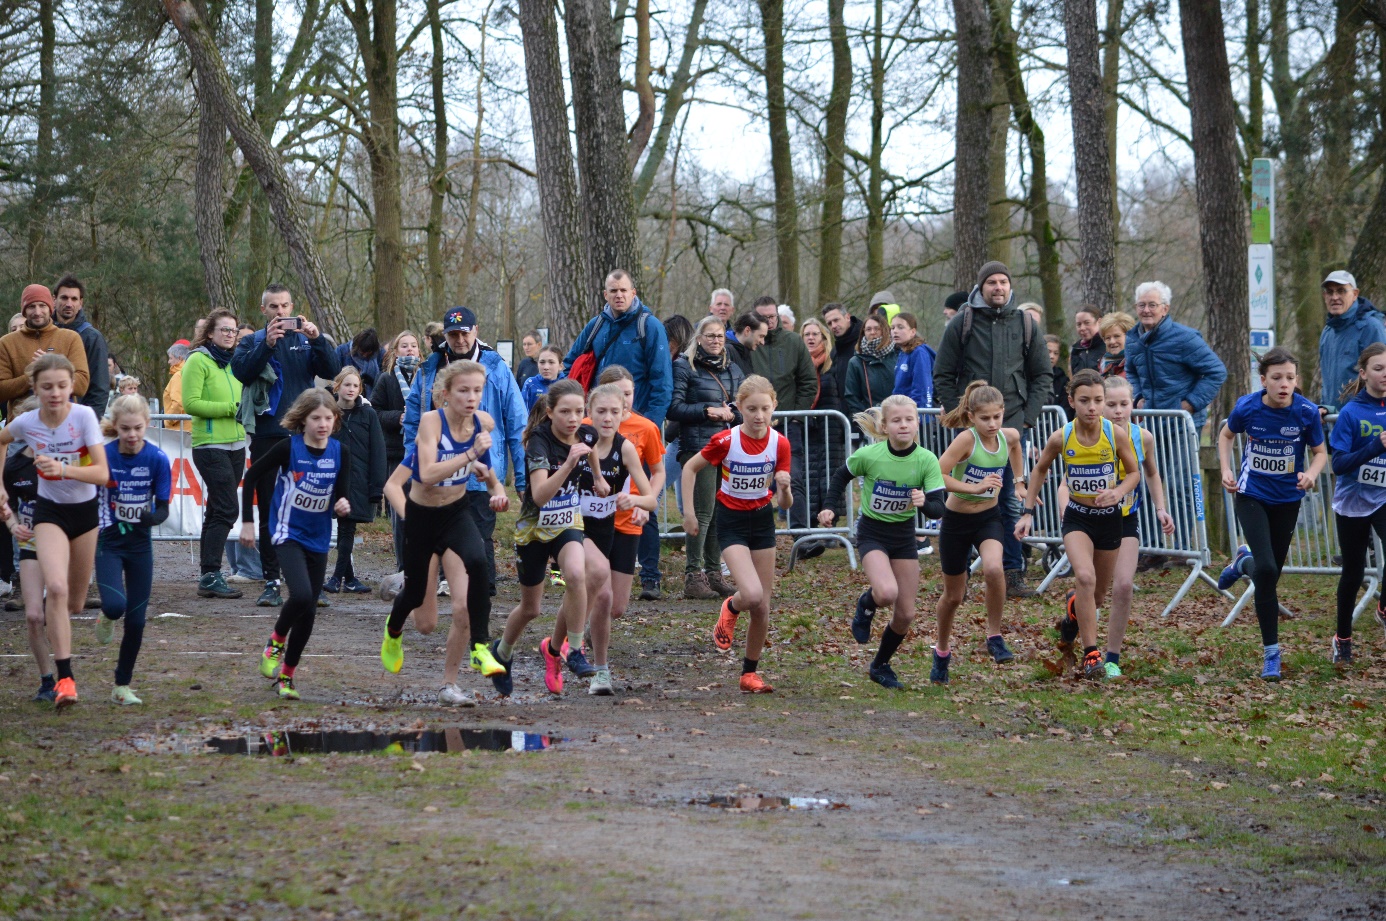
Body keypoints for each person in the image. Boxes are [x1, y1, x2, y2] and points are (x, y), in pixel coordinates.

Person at [379, 361, 511, 704]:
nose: (472, 398)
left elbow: (485, 469)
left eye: (478, 391)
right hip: (422, 518)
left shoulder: (483, 423)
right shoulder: (429, 424)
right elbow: (426, 474)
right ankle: (393, 630)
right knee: (418, 604)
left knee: (477, 564)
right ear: (445, 395)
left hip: (456, 512)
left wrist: (497, 488)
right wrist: (469, 454)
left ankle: (477, 650)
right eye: (463, 391)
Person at [933, 261, 1052, 599]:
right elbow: (942, 372)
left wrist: (1027, 417)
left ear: (1010, 287)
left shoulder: (1025, 323)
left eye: (1004, 282)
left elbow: (1042, 373)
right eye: (992, 283)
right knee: (965, 492)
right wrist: (961, 414)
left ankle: (1012, 573)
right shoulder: (963, 322)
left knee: (1007, 500)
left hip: (1011, 421)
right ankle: (960, 574)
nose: (998, 288)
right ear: (981, 287)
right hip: (972, 428)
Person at [0, 354, 109, 708]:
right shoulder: (26, 422)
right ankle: (64, 679)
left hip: (84, 513)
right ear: (35, 388)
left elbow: (102, 474)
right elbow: (1, 440)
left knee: (74, 602)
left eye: (62, 386)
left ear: (71, 388)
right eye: (47, 387)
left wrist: (63, 471)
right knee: (56, 588)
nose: (55, 393)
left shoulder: (84, 417)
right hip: (49, 514)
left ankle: (58, 623)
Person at [403, 307, 527, 617]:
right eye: (452, 334)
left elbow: (517, 423)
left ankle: (482, 587)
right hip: (438, 471)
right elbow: (413, 422)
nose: (459, 339)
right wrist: (412, 466)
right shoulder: (429, 369)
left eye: (464, 333)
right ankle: (445, 582)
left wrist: (523, 477)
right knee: (440, 530)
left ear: (475, 331)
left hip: (482, 470)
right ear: (444, 335)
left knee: (479, 530)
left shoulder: (497, 369)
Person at [1018, 369, 1140, 681]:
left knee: (1097, 597)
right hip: (1078, 518)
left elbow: (1134, 473)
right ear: (1071, 401)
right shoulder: (1062, 437)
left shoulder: (1116, 434)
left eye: (1098, 400)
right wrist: (1027, 511)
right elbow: (1040, 470)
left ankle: (1074, 608)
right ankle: (1091, 654)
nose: (1092, 407)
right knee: (1084, 577)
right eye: (1084, 400)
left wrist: (1118, 492)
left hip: (1110, 520)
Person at [819, 396, 946, 689]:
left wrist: (925, 502)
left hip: (903, 536)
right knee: (886, 592)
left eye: (909, 420)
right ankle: (866, 603)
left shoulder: (926, 460)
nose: (904, 425)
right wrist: (829, 507)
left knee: (906, 614)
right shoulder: (871, 455)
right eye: (897, 420)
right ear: (885, 426)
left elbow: (939, 508)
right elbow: (841, 476)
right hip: (872, 532)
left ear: (917, 423)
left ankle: (880, 665)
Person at [1216, 347, 1326, 681]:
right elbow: (1225, 435)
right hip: (1251, 495)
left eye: (1290, 378)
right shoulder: (1248, 407)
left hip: (1287, 500)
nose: (1283, 384)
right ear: (1263, 380)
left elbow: (1320, 452)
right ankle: (1271, 656)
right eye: (1276, 378)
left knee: (1269, 574)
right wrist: (1226, 468)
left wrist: (1312, 473)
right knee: (1266, 568)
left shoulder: (1306, 412)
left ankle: (1241, 563)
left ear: (1296, 380)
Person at [231, 283, 341, 607]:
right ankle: (271, 581)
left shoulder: (305, 339)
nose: (280, 313)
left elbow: (332, 370)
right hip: (267, 436)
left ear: (292, 306)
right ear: (263, 310)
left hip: (303, 439)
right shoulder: (251, 341)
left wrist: (317, 339)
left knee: (308, 509)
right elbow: (243, 372)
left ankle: (310, 583)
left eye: (284, 306)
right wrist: (266, 344)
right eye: (273, 307)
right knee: (269, 509)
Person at [682, 375, 791, 693]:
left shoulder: (779, 443)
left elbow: (785, 503)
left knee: (762, 606)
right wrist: (690, 513)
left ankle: (749, 674)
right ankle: (730, 607)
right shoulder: (726, 441)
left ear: (774, 408)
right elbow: (690, 468)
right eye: (752, 409)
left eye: (765, 409)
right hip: (730, 522)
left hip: (763, 521)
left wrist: (783, 488)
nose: (759, 416)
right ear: (740, 407)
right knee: (752, 595)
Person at [241, 390, 352, 700]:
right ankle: (276, 639)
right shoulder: (287, 448)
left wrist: (343, 505)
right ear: (303, 420)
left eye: (328, 418)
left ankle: (287, 676)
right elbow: (250, 478)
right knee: (301, 594)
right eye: (316, 418)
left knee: (309, 610)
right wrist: (248, 522)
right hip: (287, 532)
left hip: (318, 537)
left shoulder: (340, 452)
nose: (322, 424)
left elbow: (341, 496)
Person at [490, 379, 593, 697]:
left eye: (579, 411)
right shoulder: (538, 441)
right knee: (531, 608)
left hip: (568, 523)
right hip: (535, 529)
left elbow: (594, 452)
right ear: (550, 412)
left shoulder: (586, 434)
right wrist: (570, 463)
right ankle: (502, 653)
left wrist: (599, 479)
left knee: (577, 574)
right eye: (565, 412)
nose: (573, 419)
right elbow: (541, 494)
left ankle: (574, 650)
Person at [929, 382, 1027, 684]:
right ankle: (942, 650)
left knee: (995, 568)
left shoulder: (1007, 435)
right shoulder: (965, 441)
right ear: (971, 417)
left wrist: (1021, 482)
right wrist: (974, 486)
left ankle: (994, 636)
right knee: (954, 596)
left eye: (998, 417)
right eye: (986, 418)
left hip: (989, 517)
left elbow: (1014, 447)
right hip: (956, 521)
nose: (993, 424)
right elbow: (938, 475)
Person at [1124, 281, 1228, 543]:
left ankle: (1182, 547)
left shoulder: (1184, 338)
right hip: (1151, 424)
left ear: (1165, 308)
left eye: (1152, 305)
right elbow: (1132, 372)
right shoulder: (1132, 339)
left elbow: (1216, 372)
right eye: (1142, 305)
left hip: (1183, 423)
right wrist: (1137, 396)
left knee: (1179, 484)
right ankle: (1151, 546)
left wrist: (1190, 403)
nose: (1146, 310)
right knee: (1146, 483)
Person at [578, 383, 657, 695]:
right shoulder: (577, 441)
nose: (607, 418)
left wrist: (634, 502)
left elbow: (650, 498)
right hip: (576, 528)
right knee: (603, 596)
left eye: (614, 412)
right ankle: (600, 670)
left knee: (614, 604)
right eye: (601, 411)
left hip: (607, 528)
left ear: (624, 413)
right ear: (589, 413)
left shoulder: (625, 448)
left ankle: (571, 640)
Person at [93, 395, 171, 705]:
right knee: (114, 606)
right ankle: (106, 617)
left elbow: (164, 507)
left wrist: (152, 518)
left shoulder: (157, 458)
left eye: (138, 428)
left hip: (140, 546)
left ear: (147, 425)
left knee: (137, 621)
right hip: (108, 542)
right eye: (125, 428)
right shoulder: (103, 455)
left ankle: (121, 686)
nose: (132, 435)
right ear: (115, 427)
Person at [1096, 376, 1176, 677]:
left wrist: (1160, 508)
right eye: (1111, 404)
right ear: (1100, 405)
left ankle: (1112, 657)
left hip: (1126, 517)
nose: (1118, 411)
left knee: (1125, 586)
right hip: (1092, 519)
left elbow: (1152, 474)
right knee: (1096, 592)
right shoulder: (1089, 435)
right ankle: (1074, 617)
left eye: (1124, 404)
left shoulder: (1142, 436)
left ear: (1133, 405)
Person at [670, 316, 744, 599]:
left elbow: (741, 410)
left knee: (718, 513)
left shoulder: (733, 369)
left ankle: (714, 573)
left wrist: (732, 413)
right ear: (699, 338)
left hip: (726, 448)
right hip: (697, 447)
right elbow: (674, 408)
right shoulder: (683, 367)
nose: (715, 340)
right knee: (701, 511)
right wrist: (707, 411)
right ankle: (693, 575)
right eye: (710, 335)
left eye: (720, 336)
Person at [1324, 343, 1386, 668]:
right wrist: (1377, 445)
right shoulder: (1351, 413)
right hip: (1352, 500)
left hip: (1384, 497)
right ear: (1363, 373)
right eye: (1378, 368)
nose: (1385, 374)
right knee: (1353, 571)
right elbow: (1340, 464)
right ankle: (1342, 638)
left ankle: (1383, 608)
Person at [183, 309, 248, 600]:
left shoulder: (236, 362)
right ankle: (210, 574)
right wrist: (230, 409)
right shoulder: (197, 360)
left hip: (236, 444)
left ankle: (208, 575)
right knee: (227, 509)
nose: (229, 335)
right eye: (223, 330)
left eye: (233, 330)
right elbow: (191, 403)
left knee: (216, 510)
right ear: (210, 333)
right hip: (209, 446)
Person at [563, 269, 672, 429]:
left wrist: (650, 425)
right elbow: (570, 366)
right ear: (605, 294)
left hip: (636, 420)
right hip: (598, 422)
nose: (619, 295)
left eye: (623, 290)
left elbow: (662, 382)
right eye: (613, 291)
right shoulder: (596, 325)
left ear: (633, 293)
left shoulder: (649, 327)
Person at [597, 366, 667, 606]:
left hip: (629, 517)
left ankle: (586, 635)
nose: (624, 400)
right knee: (598, 591)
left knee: (617, 606)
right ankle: (573, 639)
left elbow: (658, 473)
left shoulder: (646, 428)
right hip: (593, 519)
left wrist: (646, 504)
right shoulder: (588, 426)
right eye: (618, 393)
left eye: (628, 393)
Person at [324, 366, 385, 594]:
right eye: (347, 385)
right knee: (342, 529)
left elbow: (378, 452)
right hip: (332, 480)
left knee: (347, 528)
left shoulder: (368, 414)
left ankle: (336, 578)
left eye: (356, 385)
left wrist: (376, 488)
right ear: (337, 386)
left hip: (358, 481)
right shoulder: (328, 413)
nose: (351, 389)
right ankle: (350, 579)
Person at [6, 403, 49, 700]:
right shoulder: (15, 465)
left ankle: (66, 673)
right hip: (31, 545)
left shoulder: (69, 458)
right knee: (34, 616)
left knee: (64, 607)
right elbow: (5, 504)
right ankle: (48, 681)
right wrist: (12, 525)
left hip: (65, 544)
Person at [370, 330, 422, 570]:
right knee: (400, 514)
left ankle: (425, 564)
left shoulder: (427, 376)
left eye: (413, 345)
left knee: (423, 510)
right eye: (404, 346)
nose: (409, 349)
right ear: (395, 351)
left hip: (425, 453)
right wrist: (398, 417)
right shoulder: (387, 379)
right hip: (396, 453)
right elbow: (376, 412)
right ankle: (404, 567)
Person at [0, 285, 89, 420]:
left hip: (63, 426)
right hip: (20, 429)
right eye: (31, 307)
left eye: (42, 306)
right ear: (23, 311)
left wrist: (52, 369)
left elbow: (82, 384)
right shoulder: (6, 343)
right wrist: (30, 376)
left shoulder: (71, 338)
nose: (37, 312)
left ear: (50, 307)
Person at [794, 317, 845, 538]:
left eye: (816, 334)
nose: (811, 338)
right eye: (807, 334)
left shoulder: (832, 363)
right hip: (808, 430)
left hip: (831, 429)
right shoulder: (798, 366)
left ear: (824, 338)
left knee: (829, 477)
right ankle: (812, 525)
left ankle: (831, 523)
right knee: (809, 477)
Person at [1318, 270, 1385, 411]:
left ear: (1355, 294)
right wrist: (1324, 408)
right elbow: (1327, 382)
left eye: (1341, 291)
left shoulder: (1371, 327)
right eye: (1330, 292)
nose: (1334, 297)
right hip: (1333, 421)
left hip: (1364, 422)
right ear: (1324, 296)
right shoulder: (1327, 332)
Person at [52, 275, 111, 415]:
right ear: (54, 300)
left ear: (81, 303)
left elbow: (99, 388)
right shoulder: (43, 332)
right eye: (64, 298)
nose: (68, 304)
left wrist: (90, 424)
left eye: (74, 299)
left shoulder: (92, 338)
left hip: (77, 420)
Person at [843, 312, 896, 420]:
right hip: (872, 422)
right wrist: (866, 419)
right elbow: (852, 396)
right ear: (863, 332)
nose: (873, 332)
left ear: (885, 330)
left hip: (899, 417)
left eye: (877, 328)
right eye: (868, 329)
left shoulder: (898, 355)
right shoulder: (856, 362)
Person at [889, 312, 935, 407]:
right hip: (901, 411)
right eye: (892, 328)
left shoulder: (919, 353)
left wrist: (920, 416)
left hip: (915, 416)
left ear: (913, 332)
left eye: (900, 327)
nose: (895, 331)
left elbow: (922, 388)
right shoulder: (903, 352)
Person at [822, 303, 862, 397]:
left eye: (836, 320)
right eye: (829, 323)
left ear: (847, 317)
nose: (834, 326)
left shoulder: (864, 342)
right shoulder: (835, 351)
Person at [335, 327, 381, 392]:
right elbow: (334, 376)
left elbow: (381, 382)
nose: (364, 355)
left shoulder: (379, 355)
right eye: (362, 352)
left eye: (368, 353)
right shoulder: (341, 351)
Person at [522, 344, 565, 411]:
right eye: (542, 362)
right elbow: (523, 413)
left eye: (551, 362)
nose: (546, 367)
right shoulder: (531, 384)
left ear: (560, 366)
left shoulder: (566, 385)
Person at [163, 342, 192, 432]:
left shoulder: (179, 376)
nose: (169, 362)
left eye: (171, 358)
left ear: (179, 358)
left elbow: (178, 403)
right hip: (191, 427)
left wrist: (168, 421)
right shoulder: (192, 372)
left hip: (179, 430)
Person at [1098, 311, 1135, 379]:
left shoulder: (1137, 364)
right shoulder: (1103, 364)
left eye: (1116, 336)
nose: (1112, 341)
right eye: (1108, 338)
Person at [727, 311, 766, 376]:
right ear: (747, 331)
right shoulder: (727, 351)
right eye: (761, 336)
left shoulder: (745, 351)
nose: (763, 342)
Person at [1070, 306, 1103, 375]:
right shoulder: (1076, 350)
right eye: (1079, 324)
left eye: (1087, 323)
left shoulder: (1107, 346)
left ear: (1099, 322)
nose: (1082, 328)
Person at [1045, 335, 1071, 419]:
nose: (1052, 356)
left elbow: (1066, 408)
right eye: (1048, 351)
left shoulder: (1063, 380)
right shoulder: (1027, 376)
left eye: (1056, 353)